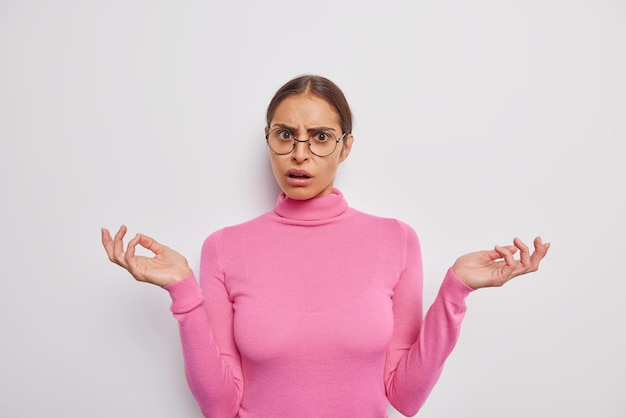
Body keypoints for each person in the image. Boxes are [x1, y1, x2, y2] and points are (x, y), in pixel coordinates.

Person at [101, 75, 550, 418]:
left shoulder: (396, 240)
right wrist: (183, 290)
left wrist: (455, 291)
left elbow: (405, 397)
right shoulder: (223, 248)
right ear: (269, 141)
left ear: (346, 146)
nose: (300, 153)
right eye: (285, 135)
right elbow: (220, 405)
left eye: (320, 137)